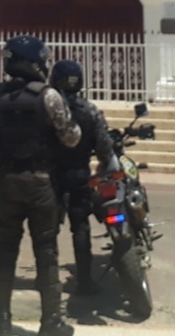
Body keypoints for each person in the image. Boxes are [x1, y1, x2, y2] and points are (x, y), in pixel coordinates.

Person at [0, 35, 81, 336]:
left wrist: (4, 143)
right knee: (46, 251)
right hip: (41, 182)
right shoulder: (49, 96)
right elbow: (71, 137)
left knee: (6, 251)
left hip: (8, 181)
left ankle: (1, 319)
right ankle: (50, 322)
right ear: (36, 63)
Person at [49, 60, 119, 296]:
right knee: (80, 228)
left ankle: (47, 282)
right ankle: (85, 281)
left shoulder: (48, 109)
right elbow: (105, 150)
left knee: (47, 231)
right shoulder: (90, 110)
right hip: (79, 174)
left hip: (51, 176)